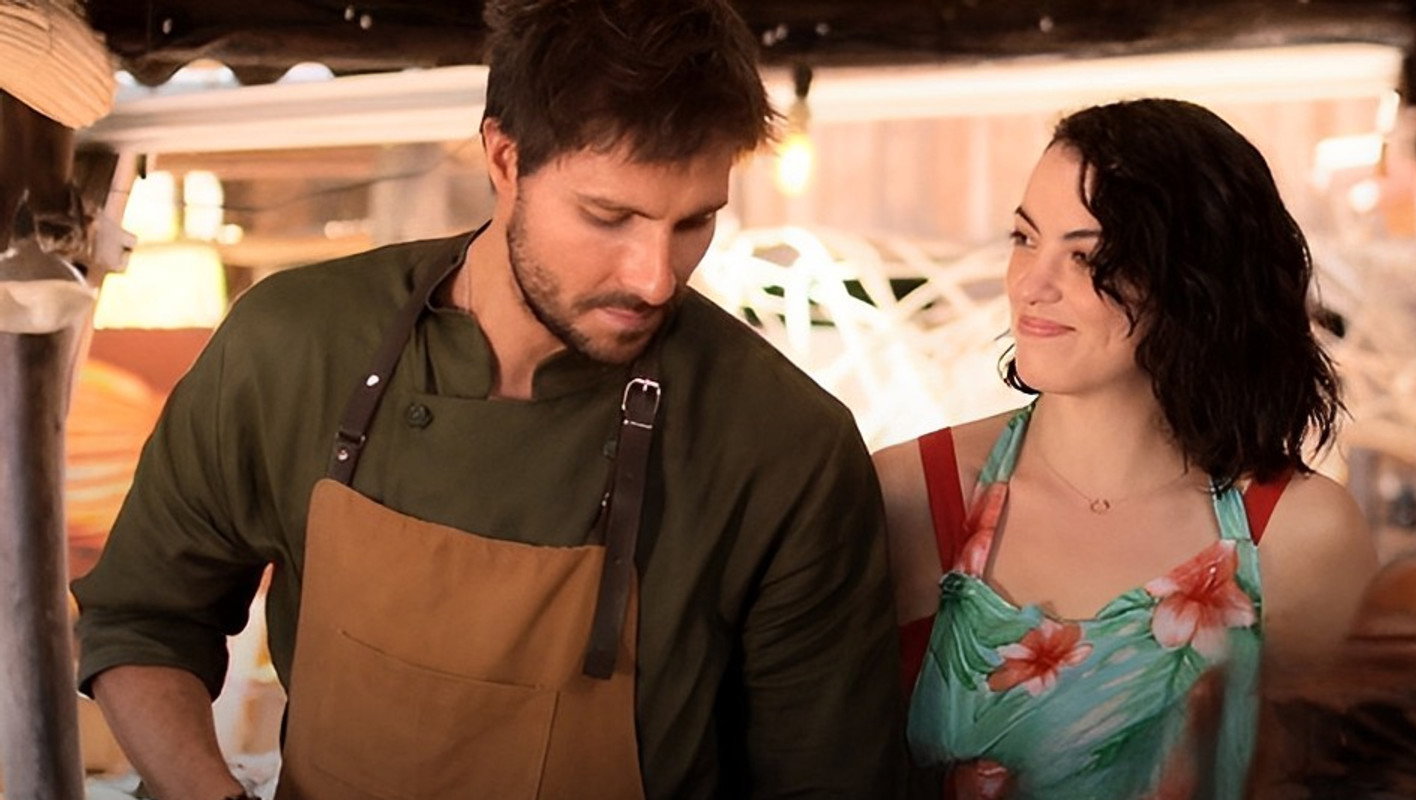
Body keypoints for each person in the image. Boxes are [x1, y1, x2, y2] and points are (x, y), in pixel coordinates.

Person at [72, 1, 903, 797]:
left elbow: (826, 778)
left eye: (693, 222)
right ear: (505, 160)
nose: (655, 277)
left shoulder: (785, 445)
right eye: (609, 216)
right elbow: (144, 619)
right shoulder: (292, 344)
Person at [876, 98, 1380, 799]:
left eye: (1085, 255)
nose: (1031, 283)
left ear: (1194, 283)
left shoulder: (1300, 535)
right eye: (1025, 239)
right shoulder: (914, 494)